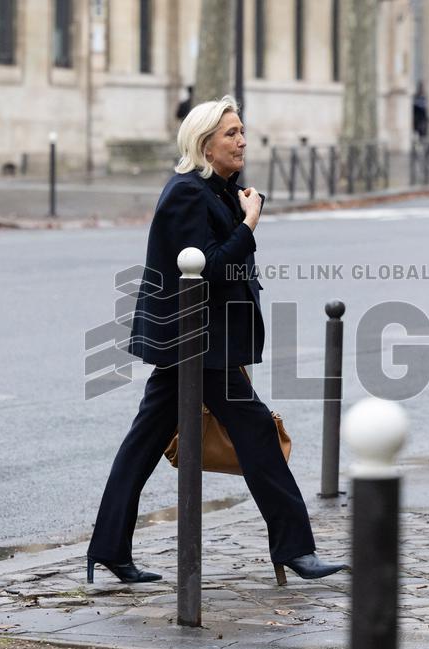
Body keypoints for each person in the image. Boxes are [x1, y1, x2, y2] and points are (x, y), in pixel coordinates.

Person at [86, 95, 347, 585]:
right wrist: (250, 223)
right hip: (197, 343)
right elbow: (206, 267)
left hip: (201, 342)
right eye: (231, 133)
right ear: (204, 143)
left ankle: (108, 547)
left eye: (243, 131)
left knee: (144, 443)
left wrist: (242, 213)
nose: (242, 140)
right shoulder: (186, 193)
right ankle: (295, 548)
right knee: (257, 437)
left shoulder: (221, 189)